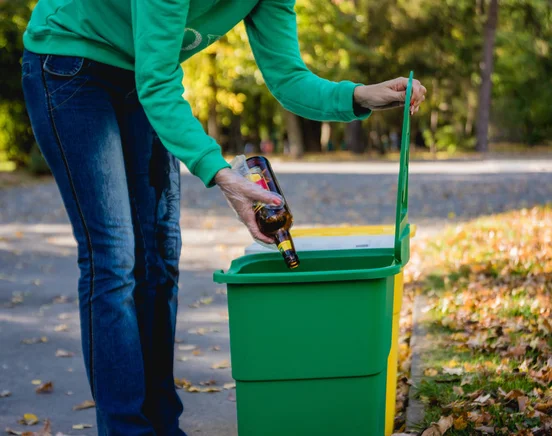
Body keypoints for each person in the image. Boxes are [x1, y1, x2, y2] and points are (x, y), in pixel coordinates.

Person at [20, 0, 427, 434]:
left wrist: (358, 95)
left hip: (142, 75)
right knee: (113, 256)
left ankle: (162, 424)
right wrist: (220, 174)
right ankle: (126, 429)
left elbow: (287, 78)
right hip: (72, 64)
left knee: (159, 254)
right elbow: (159, 85)